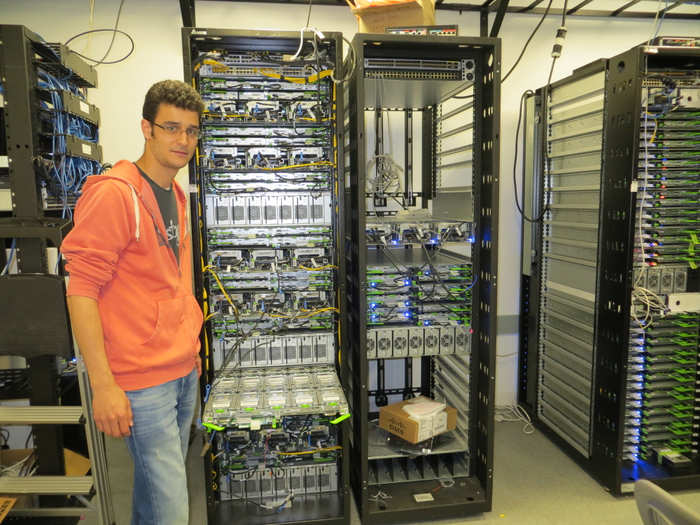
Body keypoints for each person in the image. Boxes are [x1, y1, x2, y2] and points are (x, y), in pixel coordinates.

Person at [62, 80, 205, 525]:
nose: (183, 141)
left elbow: (169, 287)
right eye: (171, 128)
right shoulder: (114, 193)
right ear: (147, 128)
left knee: (153, 490)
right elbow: (81, 290)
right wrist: (104, 385)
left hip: (180, 369)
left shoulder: (177, 196)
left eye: (192, 131)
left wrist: (190, 351)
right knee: (171, 507)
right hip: (140, 382)